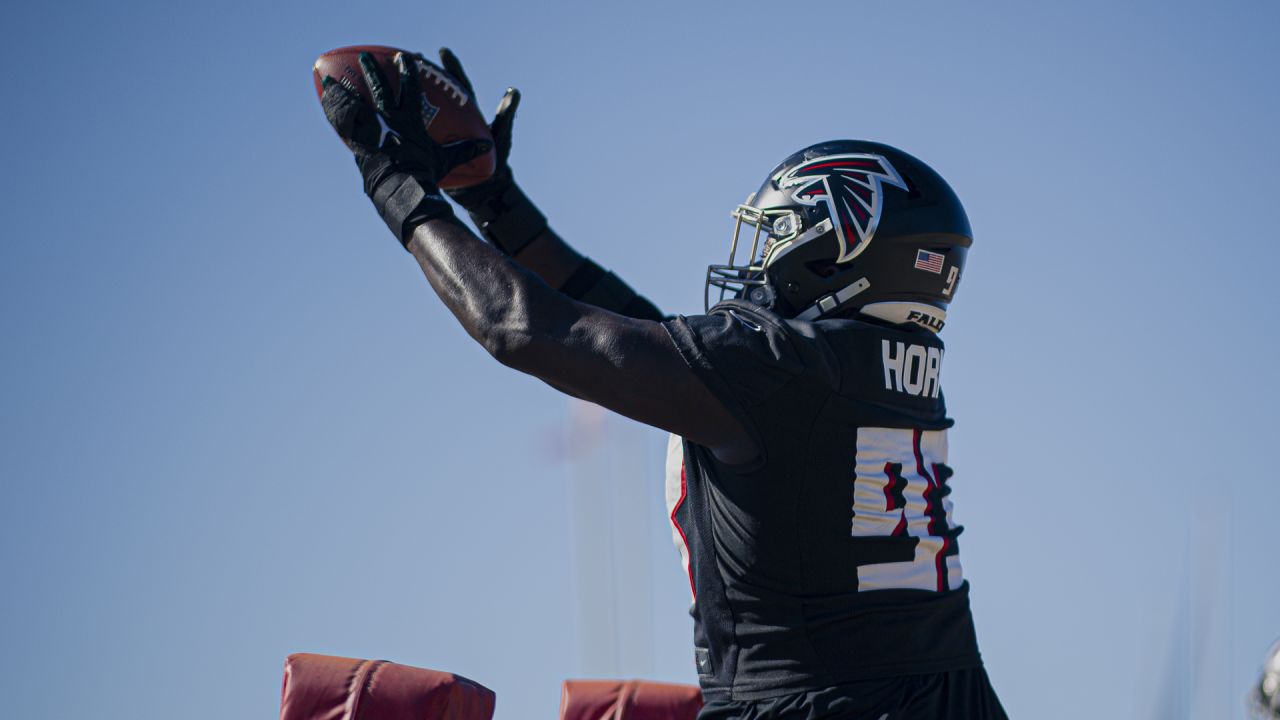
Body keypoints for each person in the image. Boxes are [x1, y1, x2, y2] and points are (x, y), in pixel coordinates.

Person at [319, 48, 1007, 720]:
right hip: (943, 696)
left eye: (779, 236)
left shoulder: (778, 371)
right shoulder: (862, 369)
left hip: (818, 702)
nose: (759, 261)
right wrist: (497, 203)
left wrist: (393, 180)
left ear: (841, 247)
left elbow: (521, 326)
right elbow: (634, 334)